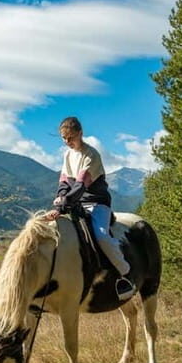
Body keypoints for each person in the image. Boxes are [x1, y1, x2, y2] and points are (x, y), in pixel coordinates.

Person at [43, 117, 136, 300]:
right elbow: (64, 181)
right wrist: (60, 196)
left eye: (70, 137)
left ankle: (126, 274)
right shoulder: (68, 155)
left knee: (102, 236)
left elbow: (80, 186)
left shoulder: (91, 155)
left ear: (80, 133)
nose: (67, 141)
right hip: (75, 203)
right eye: (64, 138)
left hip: (97, 203)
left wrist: (61, 207)